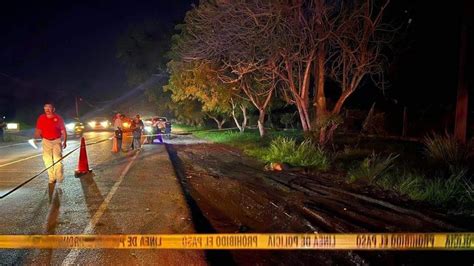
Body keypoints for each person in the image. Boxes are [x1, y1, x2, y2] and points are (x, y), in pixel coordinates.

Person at [34, 103, 67, 185]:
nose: (47, 110)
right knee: (47, 160)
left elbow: (63, 131)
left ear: (53, 109)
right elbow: (38, 129)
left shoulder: (58, 118)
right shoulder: (41, 118)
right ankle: (52, 178)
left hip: (56, 140)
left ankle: (59, 176)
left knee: (58, 160)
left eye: (49, 108)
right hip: (46, 141)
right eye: (45, 109)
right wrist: (35, 138)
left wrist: (65, 141)